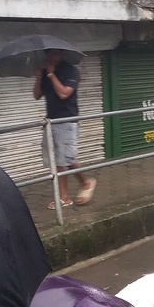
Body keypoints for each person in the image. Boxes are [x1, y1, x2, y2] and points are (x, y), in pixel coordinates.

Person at [33, 49, 96, 210]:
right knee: (64, 160)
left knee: (62, 162)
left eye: (55, 53)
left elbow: (64, 94)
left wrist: (52, 75)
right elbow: (36, 95)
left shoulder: (70, 71)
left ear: (60, 54)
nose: (51, 56)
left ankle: (64, 199)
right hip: (51, 121)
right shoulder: (45, 72)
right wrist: (40, 77)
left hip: (67, 121)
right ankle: (86, 182)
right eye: (49, 54)